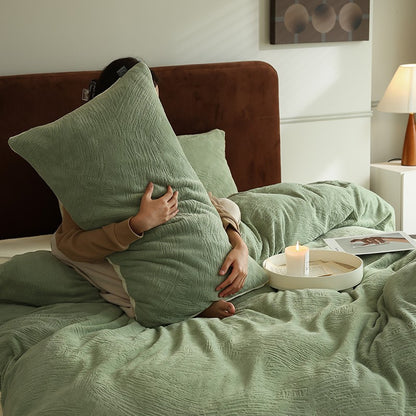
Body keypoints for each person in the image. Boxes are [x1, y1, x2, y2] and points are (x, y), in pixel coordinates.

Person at [51, 57, 249, 320]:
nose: (152, 112)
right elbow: (70, 244)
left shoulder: (158, 144)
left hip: (174, 236)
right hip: (126, 243)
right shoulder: (84, 159)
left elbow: (204, 200)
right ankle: (178, 304)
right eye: (144, 103)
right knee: (60, 246)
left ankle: (191, 289)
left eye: (155, 103)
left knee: (231, 206)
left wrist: (239, 245)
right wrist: (137, 224)